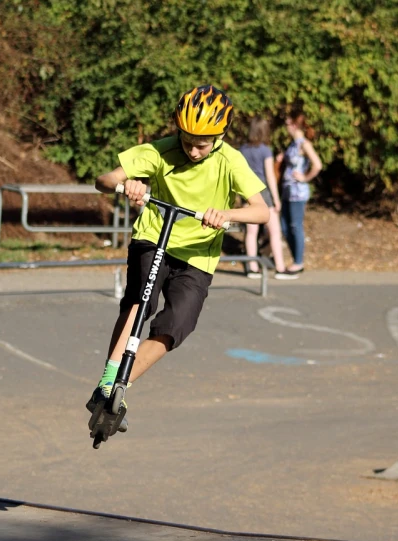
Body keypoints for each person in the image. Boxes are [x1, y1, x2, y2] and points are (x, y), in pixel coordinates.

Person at [89, 85, 270, 431]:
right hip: (154, 238)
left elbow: (262, 212)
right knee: (140, 302)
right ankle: (108, 382)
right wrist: (129, 184)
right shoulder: (160, 150)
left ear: (219, 136)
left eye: (202, 144)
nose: (194, 150)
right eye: (187, 140)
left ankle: (117, 389)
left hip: (199, 254)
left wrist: (226, 214)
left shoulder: (230, 160)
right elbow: (105, 179)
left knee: (177, 325)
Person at [239, 118, 297, 279]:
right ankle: (280, 267)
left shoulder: (242, 150)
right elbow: (270, 176)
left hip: (247, 192)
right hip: (263, 193)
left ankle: (252, 267)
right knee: (274, 232)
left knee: (251, 233)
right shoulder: (265, 150)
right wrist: (276, 199)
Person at [276, 108, 322, 276]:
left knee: (295, 226)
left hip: (298, 192)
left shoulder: (304, 144)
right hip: (287, 191)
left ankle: (298, 262)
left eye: (288, 123)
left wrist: (305, 177)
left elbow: (317, 164)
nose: (286, 126)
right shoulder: (292, 144)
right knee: (284, 226)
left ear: (295, 125)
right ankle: (295, 259)